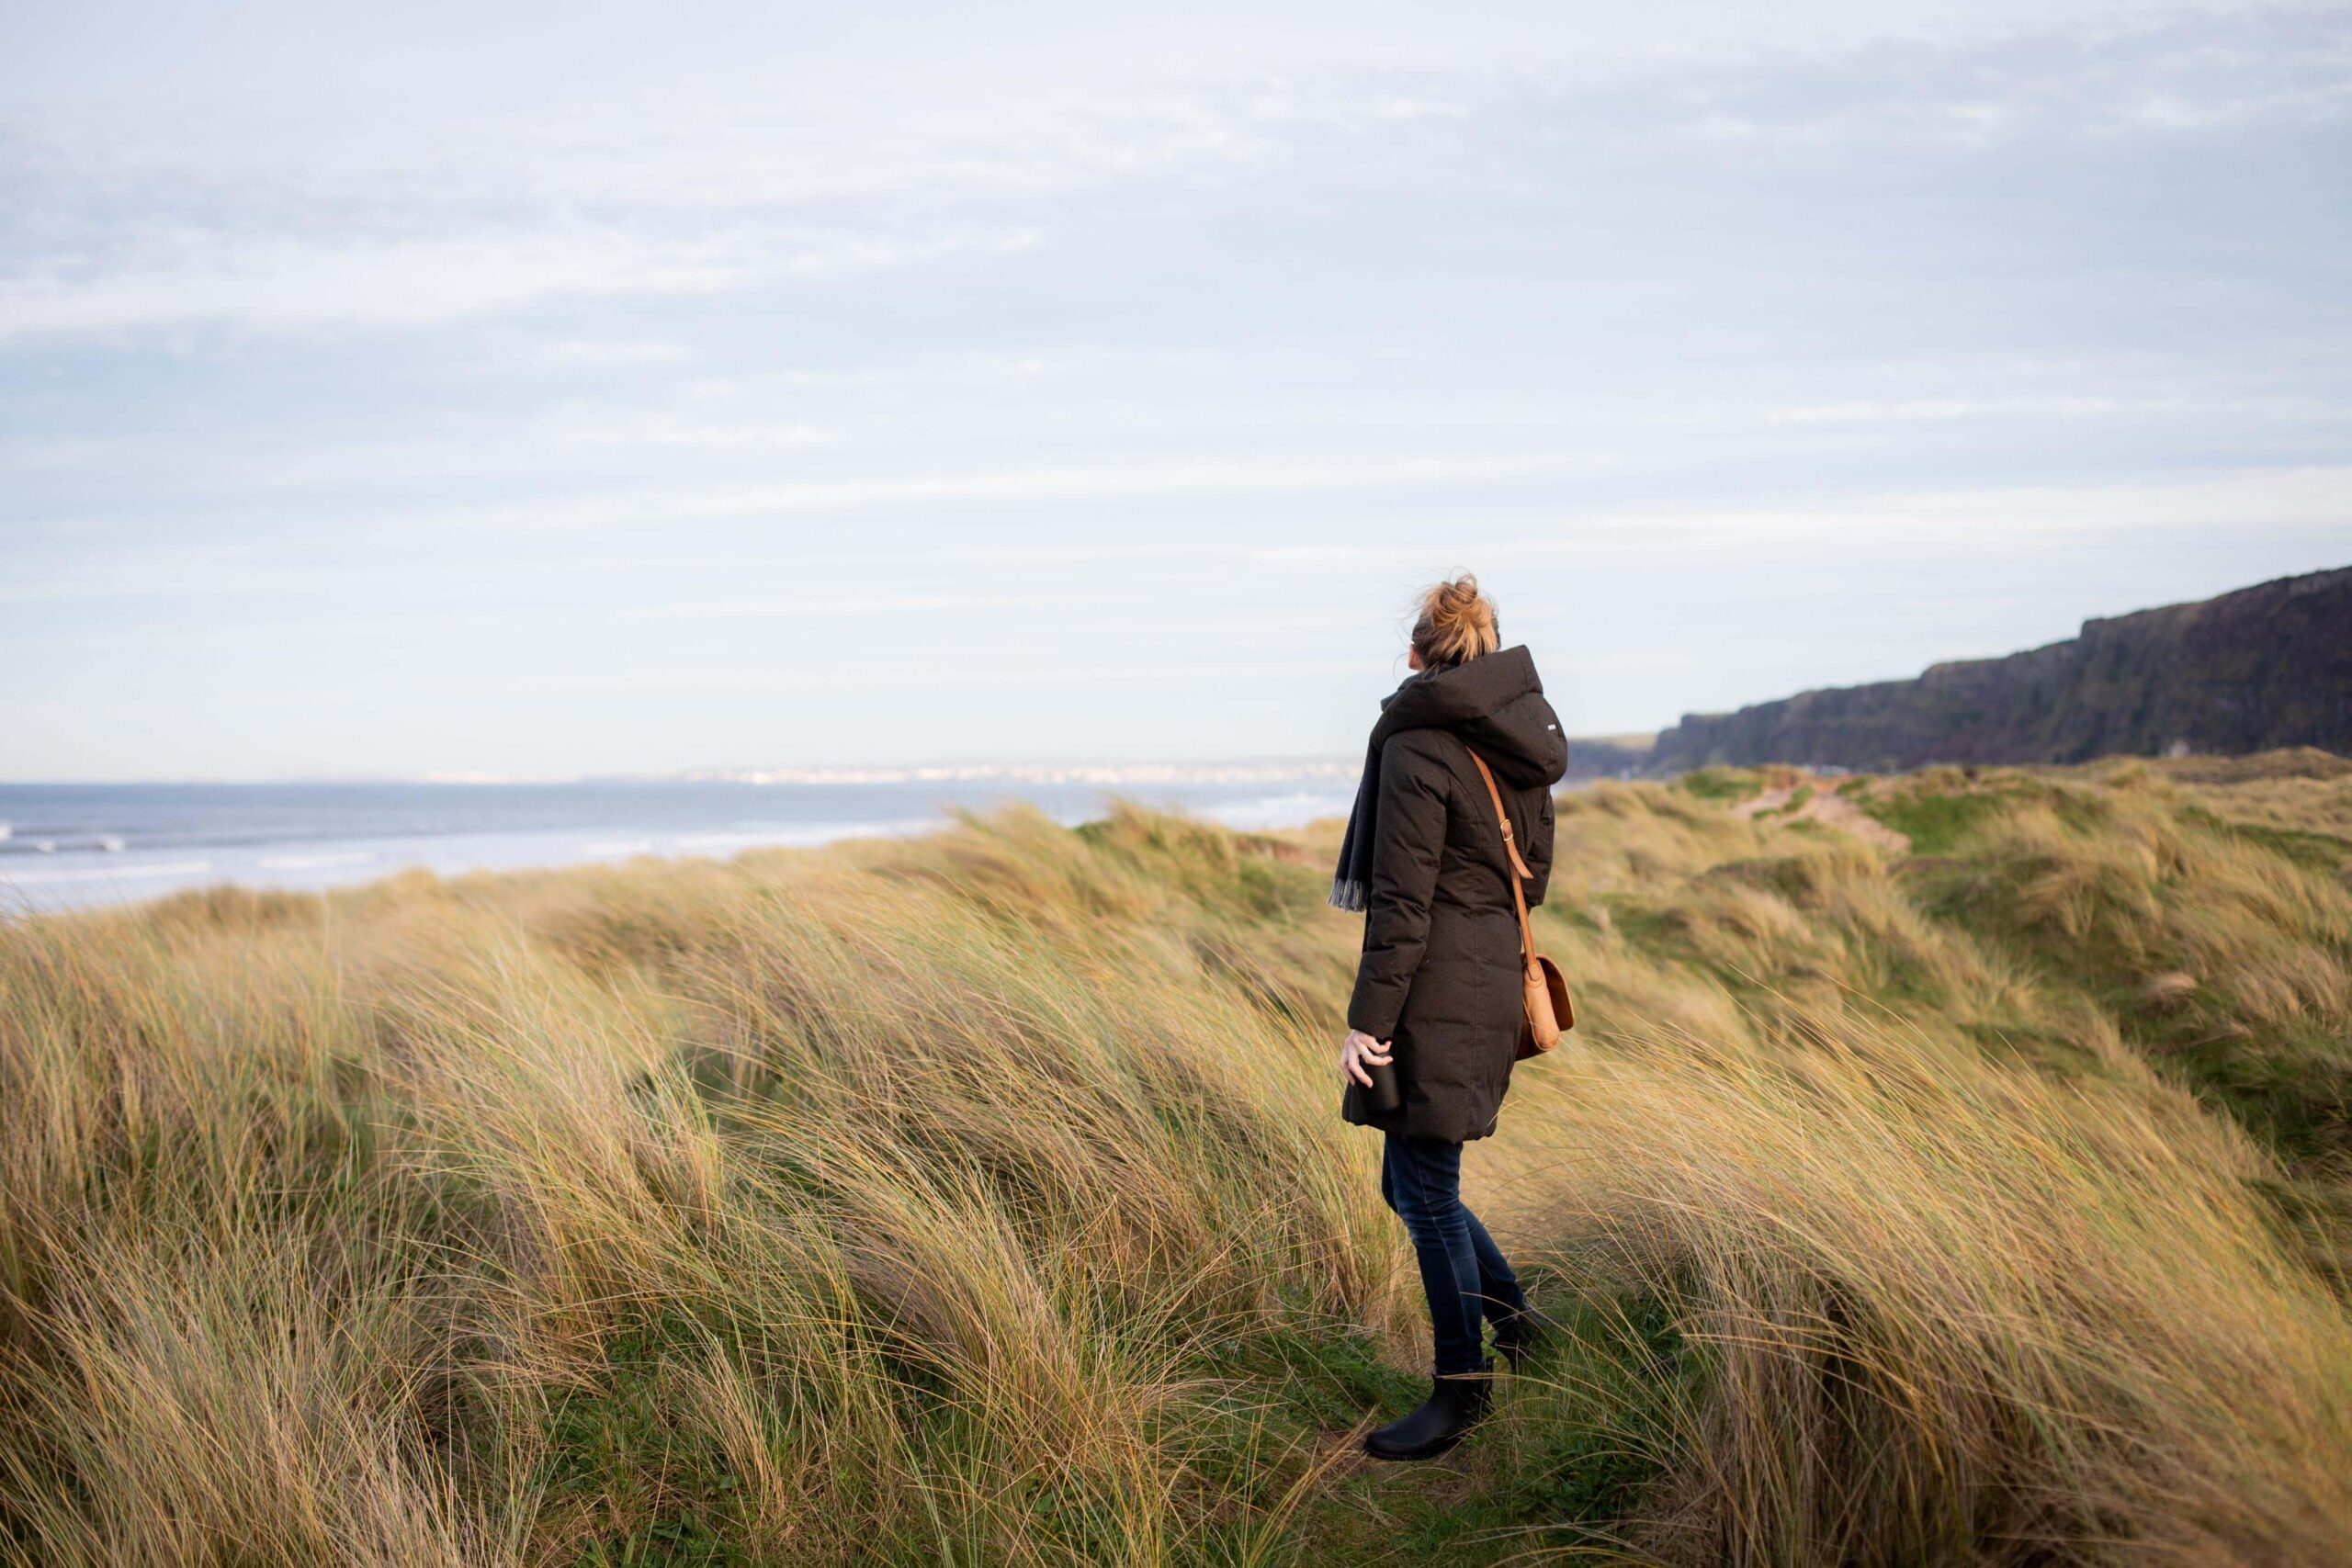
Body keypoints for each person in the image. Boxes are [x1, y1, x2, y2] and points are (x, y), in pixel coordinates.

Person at [1330, 574, 1567, 1461]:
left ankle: (1462, 1393)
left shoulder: (1416, 746)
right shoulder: (1525, 736)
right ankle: (1520, 1327)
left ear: (1417, 657)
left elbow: (1402, 903)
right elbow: (1532, 877)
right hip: (1491, 978)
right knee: (1413, 1185)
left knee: (1426, 1192)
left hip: (1435, 990)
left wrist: (1367, 1021)